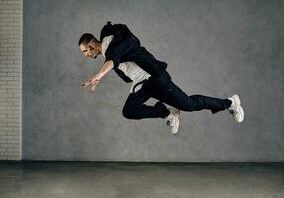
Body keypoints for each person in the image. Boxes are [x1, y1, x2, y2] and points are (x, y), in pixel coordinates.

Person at [78, 21, 244, 135]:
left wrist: (99, 75)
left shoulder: (113, 45)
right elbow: (115, 60)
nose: (86, 55)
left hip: (155, 79)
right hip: (141, 84)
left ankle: (230, 102)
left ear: (92, 45)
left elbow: (114, 58)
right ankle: (167, 113)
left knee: (190, 105)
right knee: (129, 111)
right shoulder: (110, 47)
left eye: (86, 51)